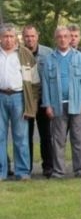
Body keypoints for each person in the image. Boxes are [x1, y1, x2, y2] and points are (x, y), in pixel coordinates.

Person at [40, 26, 81, 178]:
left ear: (70, 38)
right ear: (56, 39)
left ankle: (80, 169)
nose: (63, 39)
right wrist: (47, 105)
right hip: (57, 105)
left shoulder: (78, 57)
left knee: (79, 140)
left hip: (77, 105)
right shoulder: (50, 59)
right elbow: (45, 84)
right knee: (58, 141)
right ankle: (59, 171)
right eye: (59, 36)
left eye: (66, 36)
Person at [0, 24, 38, 180]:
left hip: (19, 97)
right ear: (0, 38)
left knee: (21, 136)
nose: (8, 40)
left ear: (15, 37)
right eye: (5, 36)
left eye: (11, 36)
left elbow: (35, 83)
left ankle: (22, 172)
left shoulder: (25, 54)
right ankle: (1, 172)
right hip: (0, 96)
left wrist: (31, 105)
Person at [22, 25, 54, 177]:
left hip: (44, 99)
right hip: (26, 100)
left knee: (46, 135)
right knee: (25, 135)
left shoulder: (48, 53)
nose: (30, 39)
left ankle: (48, 166)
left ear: (37, 36)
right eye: (27, 36)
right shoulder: (18, 54)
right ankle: (26, 167)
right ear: (23, 37)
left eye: (32, 36)